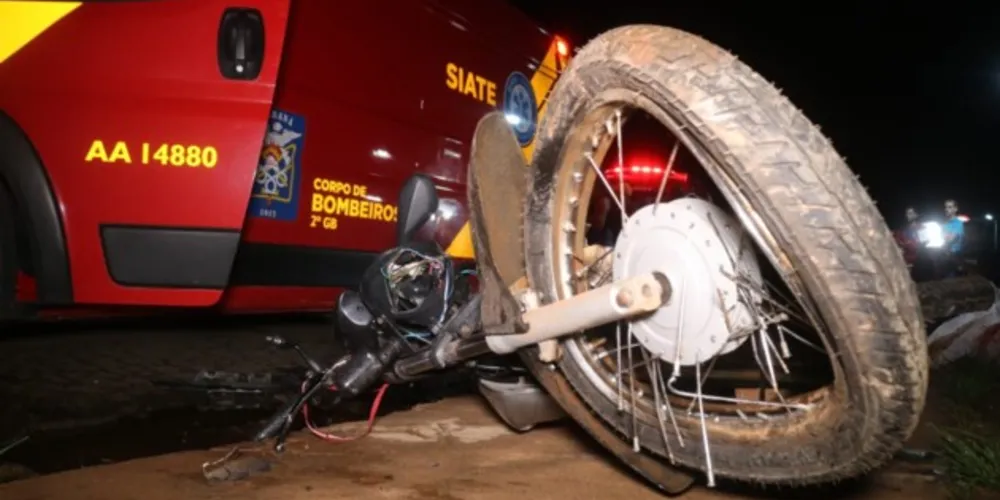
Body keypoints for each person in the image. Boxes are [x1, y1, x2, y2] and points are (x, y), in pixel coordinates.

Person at [941, 199, 965, 277]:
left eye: (950, 207)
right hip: (944, 257)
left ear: (955, 209)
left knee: (952, 280)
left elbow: (950, 239)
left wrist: (945, 237)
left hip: (954, 257)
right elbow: (942, 238)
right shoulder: (944, 224)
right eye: (946, 207)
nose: (946, 209)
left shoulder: (958, 223)